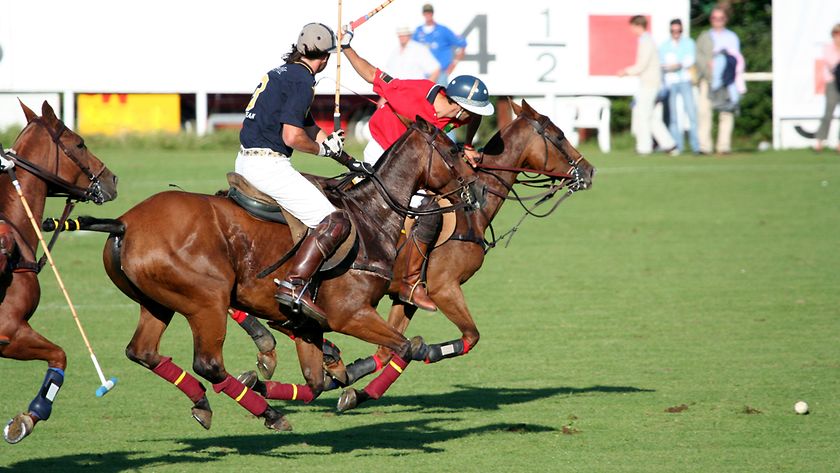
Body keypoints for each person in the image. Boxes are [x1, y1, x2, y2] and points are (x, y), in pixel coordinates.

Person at [341, 26, 492, 311]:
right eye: (473, 111)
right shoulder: (412, 95)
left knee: (438, 202)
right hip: (383, 149)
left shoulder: (458, 113)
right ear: (460, 106)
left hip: (416, 159)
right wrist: (346, 47)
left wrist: (469, 144)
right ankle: (408, 281)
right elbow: (372, 73)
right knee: (423, 209)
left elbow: (475, 120)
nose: (473, 116)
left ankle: (413, 272)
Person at [236, 22, 358, 322]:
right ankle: (295, 284)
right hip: (268, 166)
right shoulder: (304, 82)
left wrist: (332, 146)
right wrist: (321, 151)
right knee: (335, 221)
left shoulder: (281, 72)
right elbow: (292, 136)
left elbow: (303, 123)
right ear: (326, 57)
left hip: (244, 160)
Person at [619, 15, 676, 155]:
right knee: (651, 117)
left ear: (638, 26)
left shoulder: (646, 41)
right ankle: (670, 145)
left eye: (632, 27)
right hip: (650, 83)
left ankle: (644, 147)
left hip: (649, 83)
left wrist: (626, 71)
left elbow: (642, 65)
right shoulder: (647, 40)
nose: (632, 30)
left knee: (643, 115)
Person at [696, 6, 744, 155]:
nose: (717, 21)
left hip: (726, 81)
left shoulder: (732, 37)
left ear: (725, 20)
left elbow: (736, 59)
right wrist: (708, 64)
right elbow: (698, 57)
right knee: (704, 112)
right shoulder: (705, 37)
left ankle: (724, 146)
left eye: (720, 18)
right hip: (707, 79)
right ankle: (704, 146)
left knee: (726, 113)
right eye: (714, 18)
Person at [660, 19, 700, 155]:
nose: (676, 33)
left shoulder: (689, 43)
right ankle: (678, 146)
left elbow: (690, 60)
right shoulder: (664, 46)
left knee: (691, 113)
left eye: (679, 31)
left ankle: (696, 146)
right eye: (673, 31)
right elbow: (662, 64)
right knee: (673, 116)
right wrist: (675, 65)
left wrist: (678, 65)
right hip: (671, 82)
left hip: (685, 80)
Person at [412, 3, 466, 86]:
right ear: (423, 14)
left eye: (429, 13)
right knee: (421, 97)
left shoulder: (443, 30)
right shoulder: (418, 32)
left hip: (441, 74)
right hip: (423, 74)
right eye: (426, 13)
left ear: (432, 13)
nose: (428, 15)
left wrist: (454, 64)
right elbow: (411, 49)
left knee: (440, 97)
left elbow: (462, 44)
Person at [814, 23, 840, 153]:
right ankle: (819, 141)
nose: (838, 37)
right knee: (828, 113)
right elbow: (833, 64)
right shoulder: (828, 48)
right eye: (836, 34)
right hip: (832, 83)